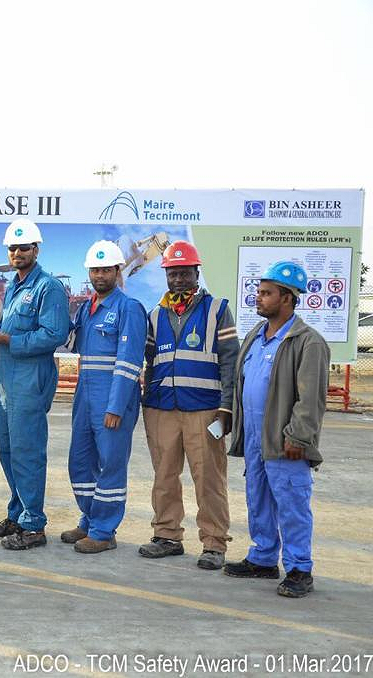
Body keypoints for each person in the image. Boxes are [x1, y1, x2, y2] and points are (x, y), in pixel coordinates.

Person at [223, 261, 329, 598]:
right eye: (259, 292)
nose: (258, 298)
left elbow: (311, 399)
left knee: (291, 503)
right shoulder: (256, 336)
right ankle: (263, 557)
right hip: (255, 437)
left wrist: (298, 436)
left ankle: (299, 568)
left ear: (287, 298)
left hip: (285, 440)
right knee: (259, 498)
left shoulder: (308, 342)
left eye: (266, 293)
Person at [138, 240, 239, 570]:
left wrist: (226, 407)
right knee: (164, 476)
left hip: (205, 409)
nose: (179, 279)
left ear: (197, 273)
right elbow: (149, 361)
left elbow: (230, 361)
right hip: (162, 408)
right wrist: (147, 400)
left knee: (208, 478)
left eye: (185, 273)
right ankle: (167, 535)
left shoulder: (217, 310)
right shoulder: (155, 315)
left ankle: (214, 543)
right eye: (173, 273)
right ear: (166, 275)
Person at [0, 218, 69, 550]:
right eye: (13, 248)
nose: (17, 253)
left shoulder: (48, 287)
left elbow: (55, 334)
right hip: (7, 382)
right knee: (8, 450)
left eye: (24, 248)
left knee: (27, 452)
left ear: (36, 250)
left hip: (30, 381)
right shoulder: (13, 287)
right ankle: (18, 513)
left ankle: (33, 526)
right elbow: (5, 329)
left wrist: (10, 340)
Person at [62, 241, 146, 553]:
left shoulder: (129, 309)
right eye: (95, 270)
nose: (99, 275)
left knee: (111, 464)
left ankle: (104, 530)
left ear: (117, 271)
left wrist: (116, 407)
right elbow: (69, 342)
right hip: (85, 398)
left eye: (106, 270)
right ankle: (90, 518)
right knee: (79, 462)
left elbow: (129, 361)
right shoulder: (87, 309)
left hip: (112, 400)